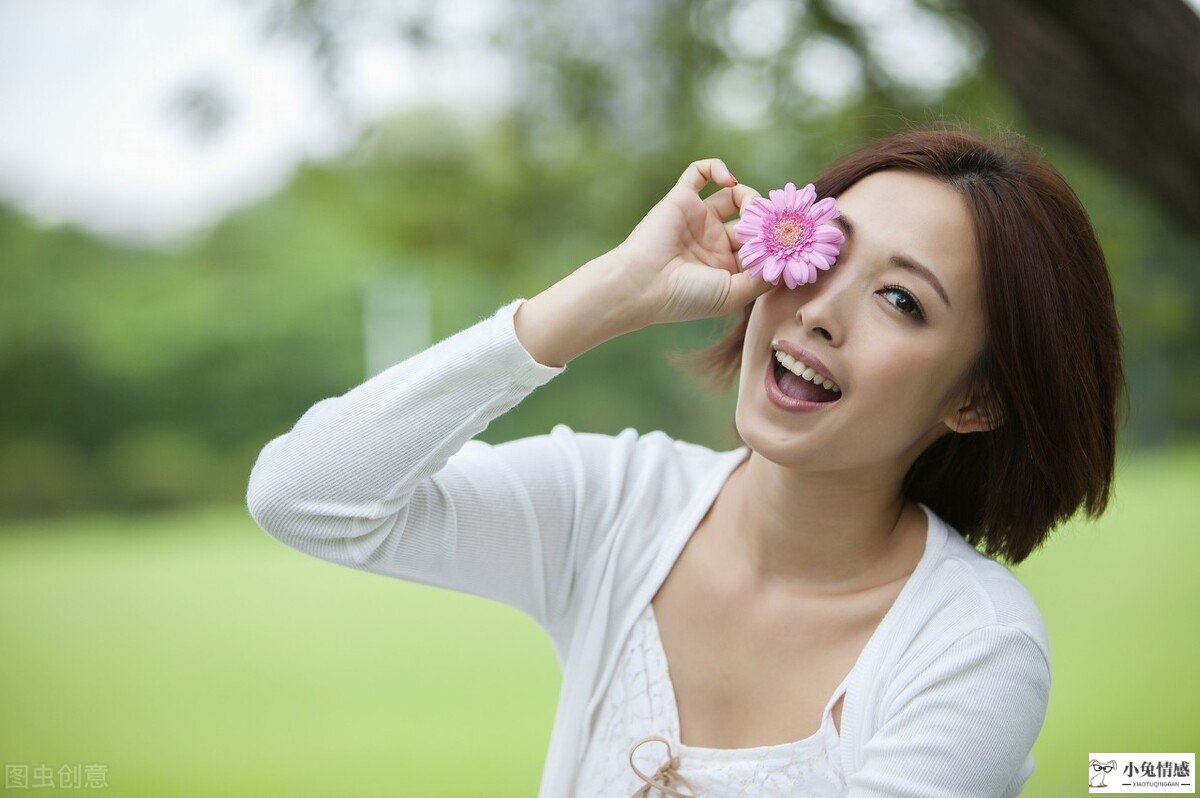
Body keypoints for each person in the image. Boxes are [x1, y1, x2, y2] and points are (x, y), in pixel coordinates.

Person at [246, 124, 1127, 797]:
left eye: (901, 299)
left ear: (976, 401)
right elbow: (306, 495)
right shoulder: (619, 504)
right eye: (821, 250)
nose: (818, 310)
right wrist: (610, 293)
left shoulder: (971, 646)